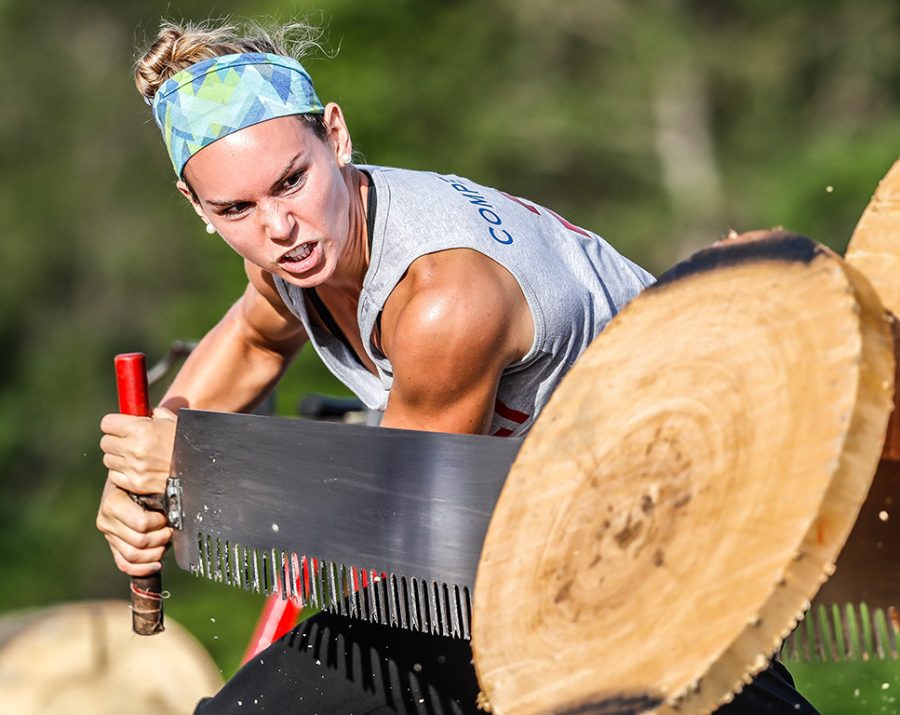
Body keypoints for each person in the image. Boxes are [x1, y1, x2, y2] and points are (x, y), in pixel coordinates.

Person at [96, 19, 818, 715]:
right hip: (559, 541)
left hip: (683, 525)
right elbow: (255, 341)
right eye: (237, 208)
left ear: (337, 137)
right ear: (199, 207)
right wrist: (142, 468)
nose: (279, 227)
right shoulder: (294, 258)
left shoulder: (447, 299)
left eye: (291, 181)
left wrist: (193, 463)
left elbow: (398, 522)